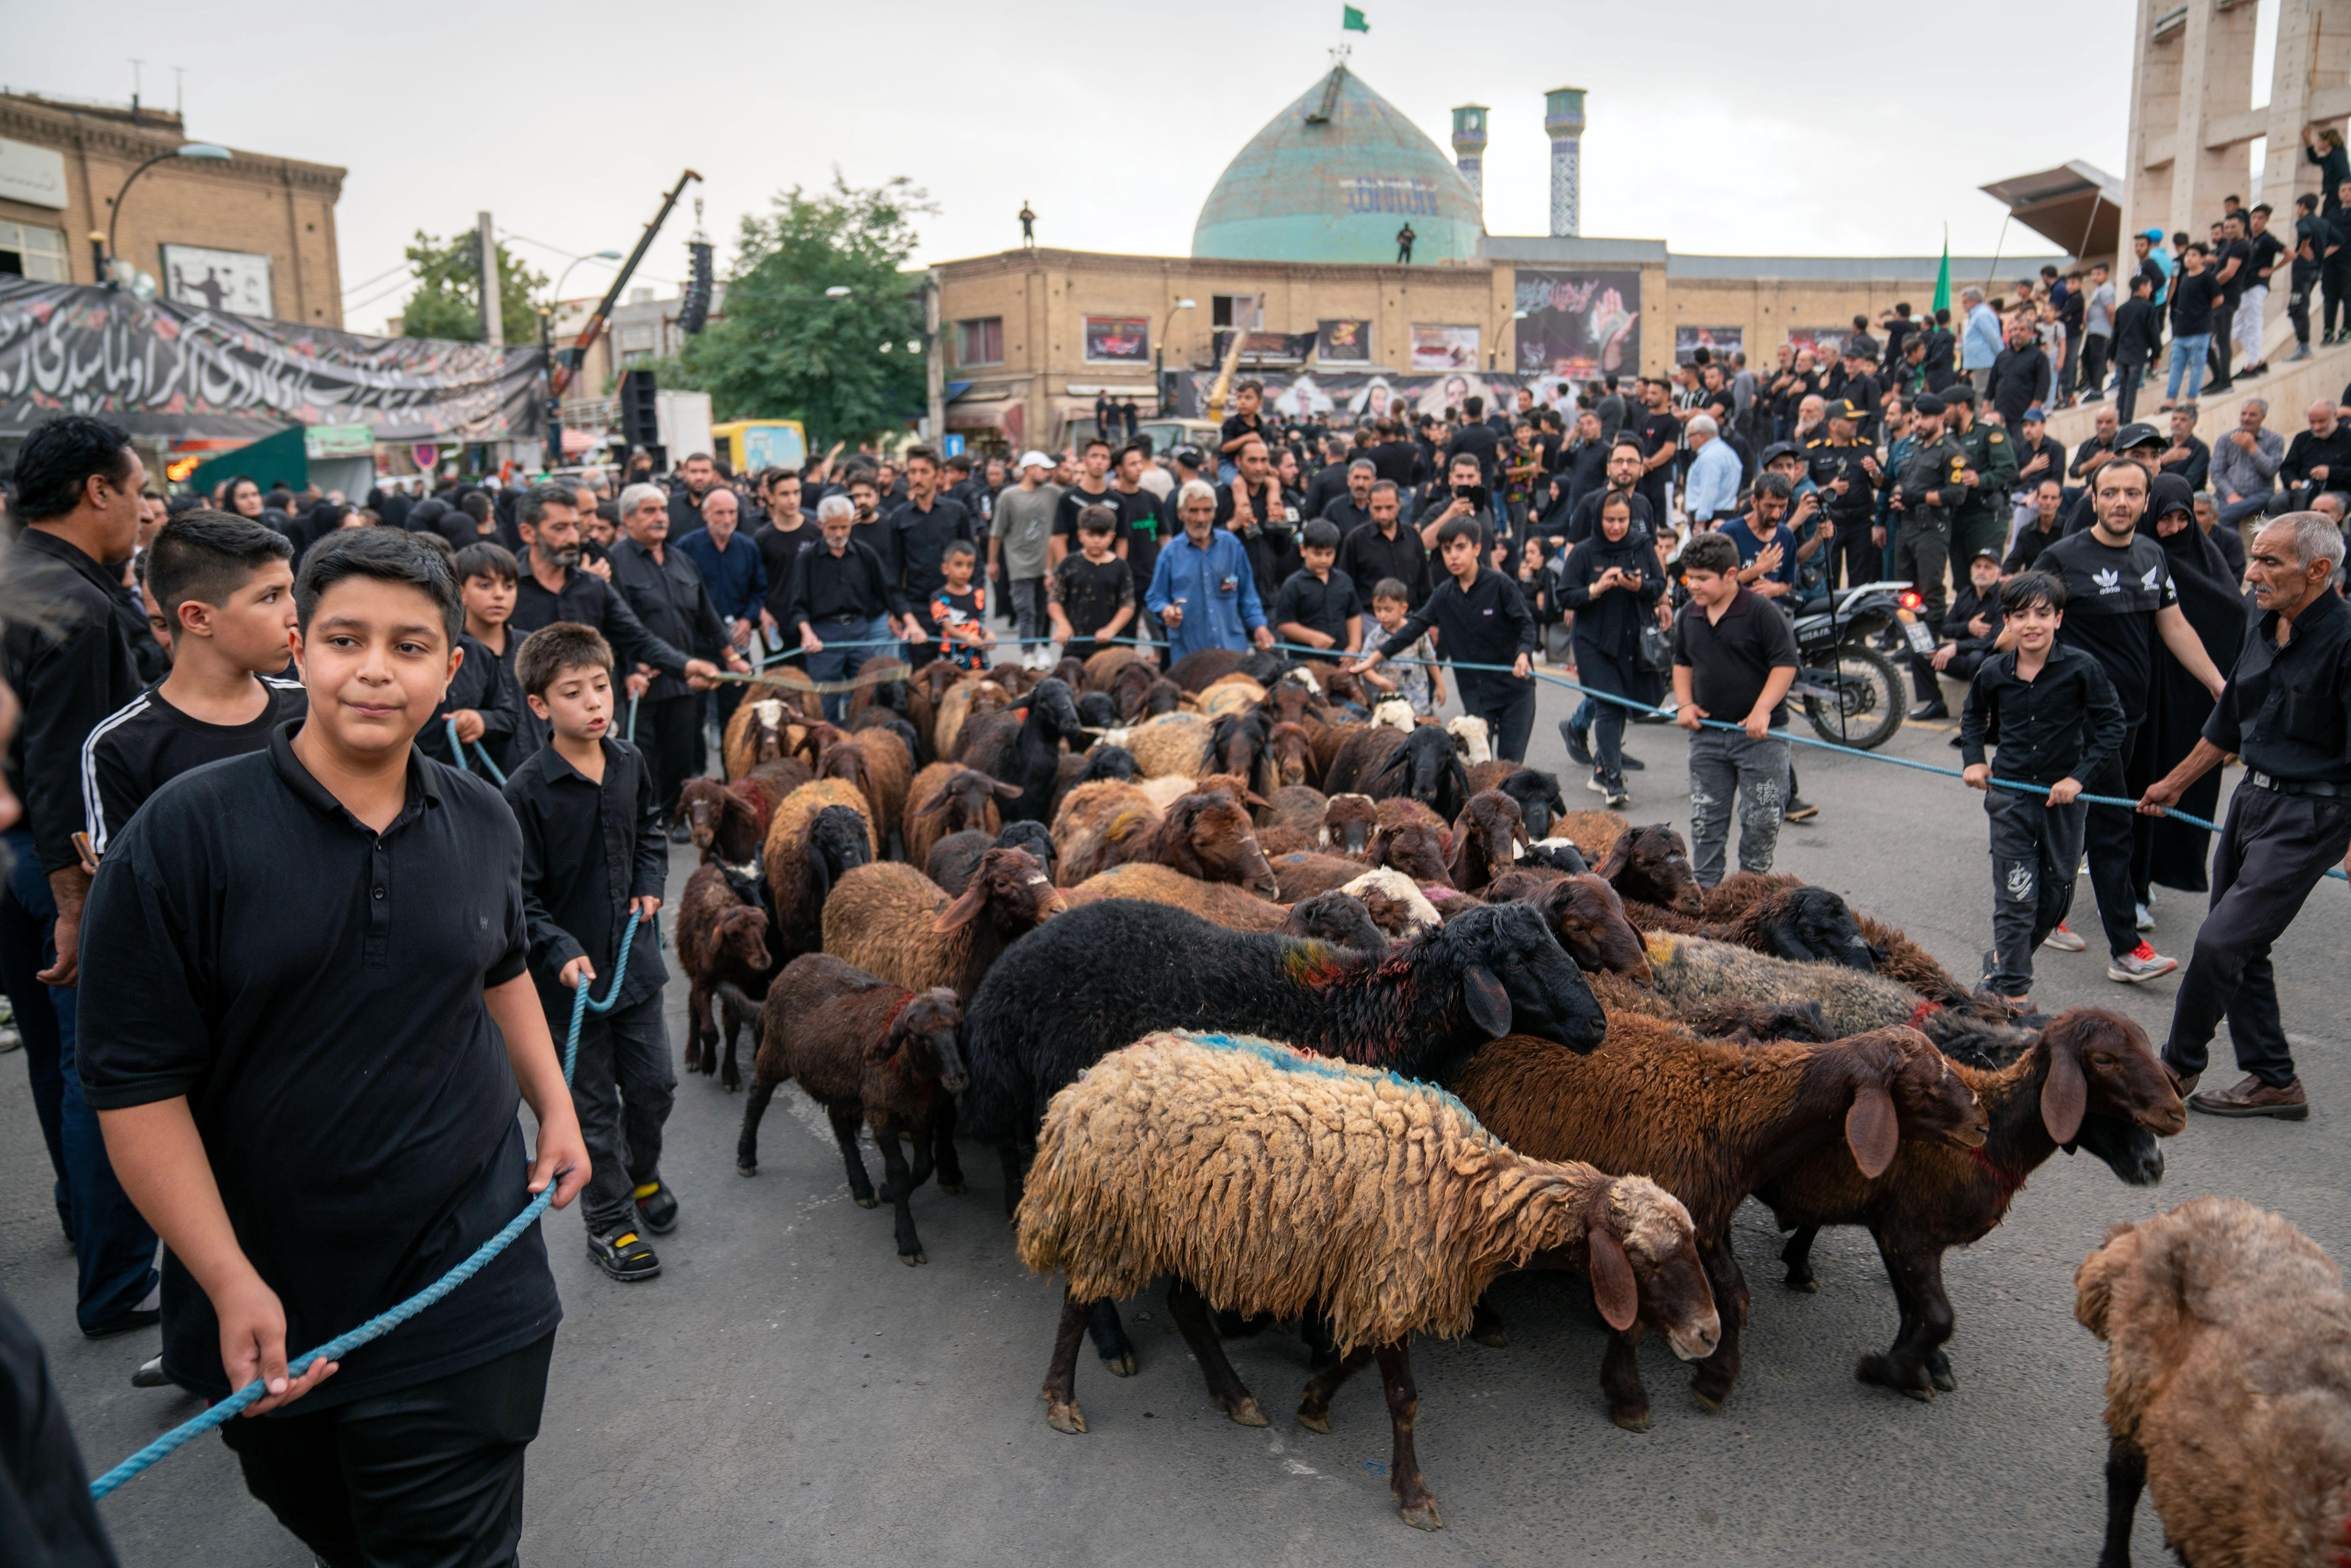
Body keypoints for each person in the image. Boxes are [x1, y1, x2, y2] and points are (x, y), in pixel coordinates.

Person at [78, 528, 582, 1564]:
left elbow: (499, 965)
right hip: (272, 1300)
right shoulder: (181, 836)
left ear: (449, 669)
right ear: (300, 647)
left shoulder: (485, 818)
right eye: (346, 638)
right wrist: (225, 1277)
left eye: (408, 647)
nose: (373, 670)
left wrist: (558, 1107)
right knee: (332, 1525)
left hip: (468, 1285)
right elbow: (133, 1086)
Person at [0, 415, 162, 1340]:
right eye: (137, 490)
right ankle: (114, 1280)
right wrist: (74, 901)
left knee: (59, 1059)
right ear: (97, 490)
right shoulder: (81, 600)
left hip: (16, 852)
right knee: (102, 1068)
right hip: (57, 863)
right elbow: (73, 766)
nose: (144, 510)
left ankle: (82, 1219)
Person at [2139, 511, 2349, 1118]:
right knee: (2244, 944)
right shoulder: (2265, 621)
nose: (2252, 572)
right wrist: (2173, 784)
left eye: (2269, 562)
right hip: (2252, 801)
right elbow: (2231, 720)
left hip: (2314, 814)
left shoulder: (2346, 641)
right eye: (2254, 558)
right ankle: (2274, 1079)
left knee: (2219, 940)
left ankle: (2174, 1068)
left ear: (2318, 570)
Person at [502, 622, 672, 1282]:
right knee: (592, 1104)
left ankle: (644, 1172)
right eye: (573, 693)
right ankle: (610, 1222)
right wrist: (560, 947)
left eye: (600, 686)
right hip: (568, 986)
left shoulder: (629, 761)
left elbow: (651, 833)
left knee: (655, 1085)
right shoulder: (525, 791)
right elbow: (521, 893)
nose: (595, 703)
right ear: (541, 706)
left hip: (635, 968)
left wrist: (651, 886)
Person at [2022, 457, 2227, 981]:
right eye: (2110, 492)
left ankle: (2045, 911)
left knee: (2079, 820)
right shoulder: (2062, 556)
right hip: (2080, 719)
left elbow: (2174, 624)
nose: (2120, 502)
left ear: (2144, 500)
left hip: (2130, 717)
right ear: (2092, 498)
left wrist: (2217, 683)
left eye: (2131, 493)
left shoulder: (2152, 554)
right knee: (2112, 825)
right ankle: (2125, 949)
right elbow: (2026, 622)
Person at [83, 512, 309, 867]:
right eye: (271, 597)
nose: (295, 613)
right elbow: (129, 895)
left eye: (290, 591)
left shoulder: (310, 707)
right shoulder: (123, 746)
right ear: (199, 618)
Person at [1960, 571, 2125, 1009]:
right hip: (2010, 796)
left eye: (2042, 614)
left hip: (2064, 799)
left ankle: (2001, 959)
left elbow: (2112, 725)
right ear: (2007, 623)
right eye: (2021, 615)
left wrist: (2079, 778)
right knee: (2016, 894)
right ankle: (2012, 991)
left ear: (2058, 618)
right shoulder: (1993, 671)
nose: (2032, 623)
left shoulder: (2082, 668)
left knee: (2054, 897)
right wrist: (1974, 759)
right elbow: (1974, 718)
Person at [2132, 473, 2249, 932]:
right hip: (2144, 695)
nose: (2176, 527)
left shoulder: (2207, 558)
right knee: (2137, 786)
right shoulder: (2140, 556)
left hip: (2190, 700)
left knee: (2175, 784)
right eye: (2166, 518)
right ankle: (2130, 887)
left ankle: (2149, 875)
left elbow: (2230, 610)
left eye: (2184, 518)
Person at [606, 484, 744, 831]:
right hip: (642, 680)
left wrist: (731, 656)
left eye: (663, 510)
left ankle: (675, 815)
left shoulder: (681, 559)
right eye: (649, 511)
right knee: (644, 755)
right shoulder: (614, 563)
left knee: (681, 751)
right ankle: (647, 819)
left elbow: (707, 615)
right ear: (627, 518)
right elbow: (613, 627)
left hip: (684, 676)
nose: (660, 518)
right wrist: (627, 670)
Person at [1669, 531, 1799, 886]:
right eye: (1689, 577)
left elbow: (1785, 664)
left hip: (1762, 740)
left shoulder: (1761, 612)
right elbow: (1682, 663)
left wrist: (1763, 710)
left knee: (1763, 817)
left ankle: (1749, 889)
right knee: (1705, 819)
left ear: (1730, 575)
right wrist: (1685, 704)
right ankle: (1707, 892)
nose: (1693, 585)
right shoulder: (1688, 615)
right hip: (1708, 738)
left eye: (1702, 578)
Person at [1350, 516, 1538, 761]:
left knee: (1509, 763)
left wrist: (1523, 655)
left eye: (1461, 548)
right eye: (1447, 550)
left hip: (1515, 691)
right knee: (1479, 763)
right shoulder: (1444, 594)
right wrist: (1371, 660)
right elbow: (1413, 628)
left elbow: (1526, 625)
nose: (1453, 556)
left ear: (1477, 549)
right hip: (1477, 694)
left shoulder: (1501, 585)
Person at [1558, 490, 1665, 805]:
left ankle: (1603, 767)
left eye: (1622, 520)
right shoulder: (1583, 552)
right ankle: (1614, 779)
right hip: (1592, 641)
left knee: (1622, 707)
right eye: (1609, 520)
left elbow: (1659, 585)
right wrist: (1596, 588)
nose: (1616, 527)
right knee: (1609, 705)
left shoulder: (1642, 546)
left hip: (1630, 641)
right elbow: (1565, 595)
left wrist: (1640, 586)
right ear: (1597, 519)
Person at [786, 497, 898, 721]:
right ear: (821, 525)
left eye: (844, 527)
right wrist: (807, 633)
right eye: (833, 528)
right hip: (823, 636)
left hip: (858, 632)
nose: (839, 534)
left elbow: (889, 590)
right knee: (824, 702)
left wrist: (903, 617)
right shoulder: (807, 559)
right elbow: (797, 605)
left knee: (869, 693)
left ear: (851, 524)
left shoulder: (864, 554)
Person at [672, 486, 768, 733]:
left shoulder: (748, 548)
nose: (727, 520)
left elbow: (759, 592)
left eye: (732, 513)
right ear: (705, 514)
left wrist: (748, 620)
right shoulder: (687, 548)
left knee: (738, 716)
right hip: (699, 646)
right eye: (720, 513)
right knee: (692, 716)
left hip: (737, 644)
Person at [1146, 479, 1275, 664]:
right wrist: (1166, 611)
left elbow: (1248, 597)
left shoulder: (1232, 546)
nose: (1201, 518)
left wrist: (1260, 627)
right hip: (1190, 658)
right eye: (1193, 511)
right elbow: (1155, 598)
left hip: (1232, 652)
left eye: (1207, 510)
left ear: (1214, 512)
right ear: (1181, 514)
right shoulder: (1170, 554)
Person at [885, 446, 979, 666]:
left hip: (956, 605)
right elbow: (894, 571)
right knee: (923, 677)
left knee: (960, 672)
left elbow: (975, 561)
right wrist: (896, 611)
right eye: (913, 472)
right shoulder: (899, 518)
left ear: (938, 475)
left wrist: (976, 603)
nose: (917, 478)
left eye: (924, 471)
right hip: (919, 607)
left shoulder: (957, 512)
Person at [1891, 392, 1964, 653]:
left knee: (1930, 590)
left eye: (1924, 418)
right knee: (1906, 592)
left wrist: (1918, 497)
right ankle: (1913, 644)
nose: (1918, 423)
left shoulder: (1951, 452)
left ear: (1941, 418)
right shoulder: (1914, 449)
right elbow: (1905, 484)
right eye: (1916, 418)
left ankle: (1929, 645)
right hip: (1907, 527)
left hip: (1932, 529)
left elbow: (1956, 494)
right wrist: (1900, 497)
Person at [991, 451, 1060, 667]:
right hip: (1019, 564)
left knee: (1045, 610)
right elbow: (997, 532)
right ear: (1029, 469)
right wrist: (992, 562)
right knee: (1026, 610)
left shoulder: (1053, 493)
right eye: (1043, 469)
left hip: (1047, 564)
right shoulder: (1009, 497)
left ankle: (1044, 648)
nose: (1047, 474)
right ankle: (1028, 653)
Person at [1217, 436, 1303, 608]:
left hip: (1267, 597)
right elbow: (1204, 541)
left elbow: (1281, 550)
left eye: (1264, 461)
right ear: (1238, 462)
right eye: (1252, 461)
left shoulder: (1277, 498)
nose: (1258, 468)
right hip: (1229, 598)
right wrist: (1233, 524)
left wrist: (1281, 527)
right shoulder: (1221, 496)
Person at [1046, 506, 1134, 664]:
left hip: (1111, 649)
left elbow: (1127, 604)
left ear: (1112, 536)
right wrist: (1062, 624)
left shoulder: (1121, 567)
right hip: (1075, 648)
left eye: (1102, 535)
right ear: (1080, 535)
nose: (1096, 540)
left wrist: (1112, 629)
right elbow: (1055, 600)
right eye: (1091, 534)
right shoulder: (1069, 564)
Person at [1273, 519, 1364, 656]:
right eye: (1317, 554)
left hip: (1339, 659)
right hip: (1304, 661)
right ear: (1303, 550)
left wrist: (1354, 647)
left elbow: (1353, 615)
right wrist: (1312, 637)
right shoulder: (1293, 585)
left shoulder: (1344, 581)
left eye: (1329, 554)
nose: (1323, 560)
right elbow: (1284, 624)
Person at [1336, 480, 1430, 611]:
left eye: (1389, 508)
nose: (1383, 515)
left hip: (1411, 618)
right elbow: (1345, 587)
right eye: (1378, 508)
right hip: (1371, 620)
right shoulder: (1355, 540)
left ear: (1399, 504)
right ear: (1369, 505)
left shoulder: (1412, 536)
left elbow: (1424, 582)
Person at [1357, 579, 1445, 718]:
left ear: (1403, 608)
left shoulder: (1417, 633)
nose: (1382, 615)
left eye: (1388, 610)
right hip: (1390, 703)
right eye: (1377, 609)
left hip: (1417, 702)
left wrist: (1440, 685)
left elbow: (1430, 658)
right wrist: (1380, 681)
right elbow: (1364, 666)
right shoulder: (1374, 637)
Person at [2210, 397, 2284, 535]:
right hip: (2226, 495)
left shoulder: (2275, 440)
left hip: (2259, 496)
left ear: (2263, 417)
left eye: (2252, 415)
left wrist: (2252, 447)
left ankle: (2230, 553)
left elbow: (2271, 471)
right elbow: (2216, 473)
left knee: (2224, 515)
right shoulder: (2225, 439)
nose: (2246, 418)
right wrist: (2230, 494)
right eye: (2243, 414)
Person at [2162, 243, 2219, 408]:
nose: (2189, 258)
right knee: (2176, 365)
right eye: (2188, 255)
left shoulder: (2207, 277)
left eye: (2194, 255)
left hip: (2200, 330)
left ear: (2203, 259)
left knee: (2197, 365)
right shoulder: (2185, 277)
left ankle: (2192, 399)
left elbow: (2218, 299)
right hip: (2181, 331)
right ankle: (2170, 399)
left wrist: (2203, 312)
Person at [929, 540, 993, 671]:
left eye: (970, 566)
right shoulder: (939, 597)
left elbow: (979, 622)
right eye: (958, 565)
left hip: (976, 658)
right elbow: (948, 628)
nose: (965, 571)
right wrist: (968, 637)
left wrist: (989, 633)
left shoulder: (978, 594)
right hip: (951, 660)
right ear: (945, 568)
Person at [2279, 398, 2351, 512]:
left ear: (2335, 415)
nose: (2316, 427)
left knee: (2325, 505)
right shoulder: (2302, 438)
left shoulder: (2348, 437)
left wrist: (2331, 472)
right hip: (2304, 488)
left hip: (2338, 489)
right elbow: (2287, 468)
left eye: (2322, 422)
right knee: (2278, 502)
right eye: (2312, 422)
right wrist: (2293, 481)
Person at [2109, 272, 2161, 424]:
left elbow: (2115, 335)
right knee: (2132, 388)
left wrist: (2112, 355)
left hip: (2122, 354)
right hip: (2137, 354)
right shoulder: (2149, 308)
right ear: (2142, 287)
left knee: (2122, 389)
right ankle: (2127, 422)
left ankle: (2118, 421)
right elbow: (2154, 333)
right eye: (2150, 286)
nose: (2151, 290)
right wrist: (2156, 355)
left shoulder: (2122, 308)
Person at [1681, 415, 1739, 526]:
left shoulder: (1709, 457)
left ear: (1702, 435)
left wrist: (1700, 521)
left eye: (1690, 435)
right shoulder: (1728, 452)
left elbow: (1709, 490)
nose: (1688, 440)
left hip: (1710, 518)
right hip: (1725, 514)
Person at [1217, 380, 1265, 484]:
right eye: (1239, 398)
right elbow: (1225, 447)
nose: (1242, 402)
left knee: (1273, 483)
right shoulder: (1232, 423)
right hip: (1229, 464)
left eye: (1248, 398)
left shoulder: (1260, 425)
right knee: (1239, 484)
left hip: (1253, 466)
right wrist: (1247, 438)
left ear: (1259, 403)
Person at [1960, 288, 2002, 394]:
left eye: (1965, 302)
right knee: (1980, 393)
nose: (1963, 305)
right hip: (1980, 363)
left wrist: (2002, 357)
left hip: (1984, 363)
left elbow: (1993, 338)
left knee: (1983, 394)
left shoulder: (1982, 315)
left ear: (1974, 301)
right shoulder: (1978, 314)